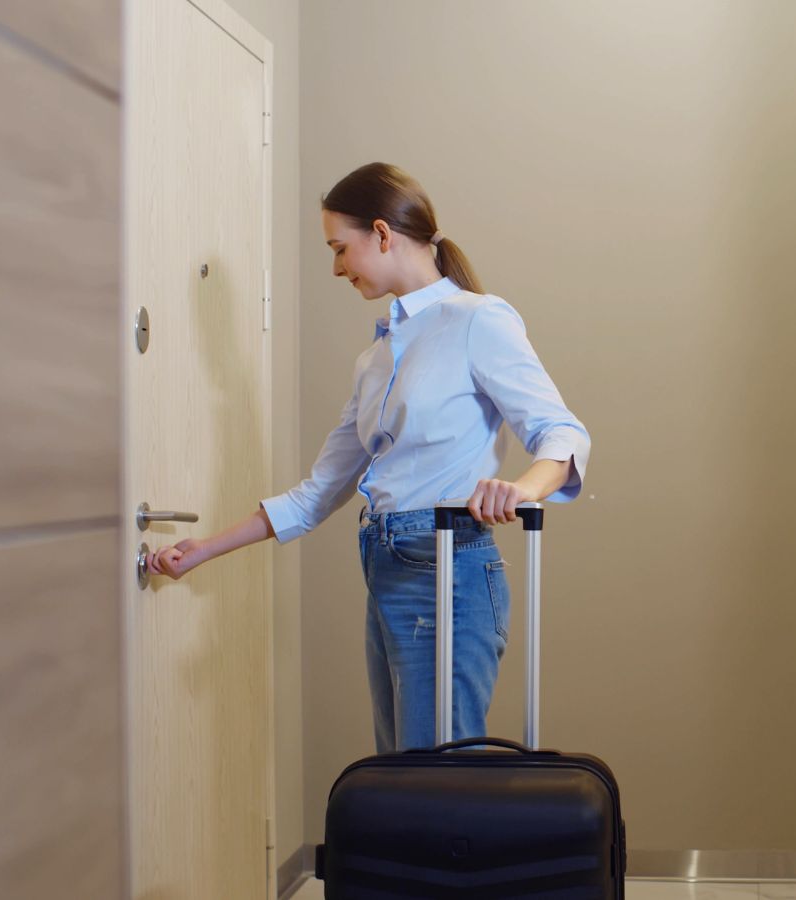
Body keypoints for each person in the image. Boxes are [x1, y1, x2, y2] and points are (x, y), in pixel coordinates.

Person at [145, 162, 590, 753]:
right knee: (401, 777)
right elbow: (320, 490)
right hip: (386, 563)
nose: (336, 267)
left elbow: (560, 432)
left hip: (447, 565)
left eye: (339, 248)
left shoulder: (478, 320)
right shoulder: (376, 357)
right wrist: (204, 550)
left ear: (382, 234)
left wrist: (524, 489)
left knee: (437, 785)